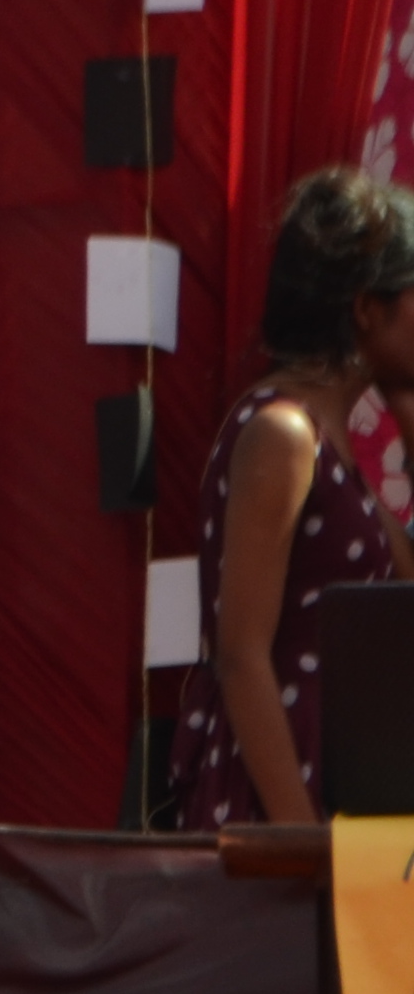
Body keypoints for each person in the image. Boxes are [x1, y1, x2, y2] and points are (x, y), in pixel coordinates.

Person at [169, 165, 414, 831]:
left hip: (335, 790)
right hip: (278, 797)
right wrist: (301, 843)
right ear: (366, 308)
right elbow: (242, 654)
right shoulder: (283, 435)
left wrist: (405, 406)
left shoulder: (331, 444)